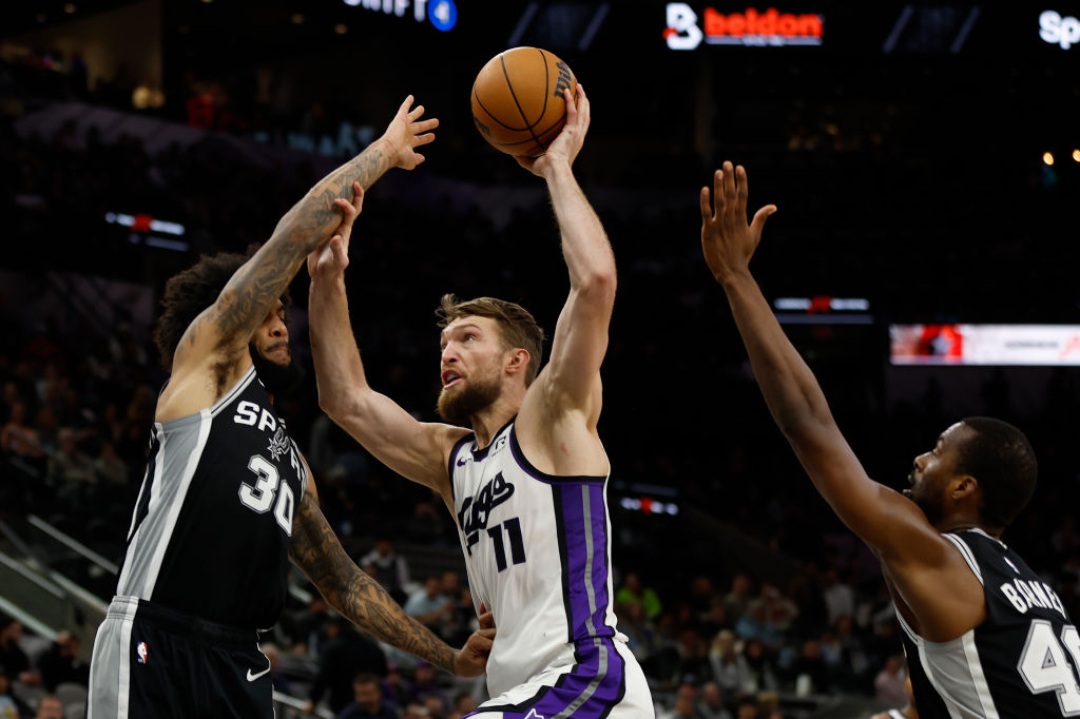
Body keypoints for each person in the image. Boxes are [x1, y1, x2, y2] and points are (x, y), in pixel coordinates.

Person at [86, 96, 494, 719]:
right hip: (156, 637)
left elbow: (344, 582)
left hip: (240, 660)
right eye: (272, 312)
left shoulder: (291, 461)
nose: (282, 323)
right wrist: (382, 155)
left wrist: (447, 656)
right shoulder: (211, 366)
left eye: (284, 314)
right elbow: (290, 236)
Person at [308, 84, 654, 717]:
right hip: (516, 689)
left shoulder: (554, 416)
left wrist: (556, 167)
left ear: (518, 361)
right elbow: (346, 400)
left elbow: (597, 280)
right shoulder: (452, 458)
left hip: (586, 674)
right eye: (444, 342)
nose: (448, 353)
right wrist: (329, 280)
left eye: (467, 339)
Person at [699, 159, 1073, 717]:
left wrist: (736, 277)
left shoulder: (941, 557)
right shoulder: (1037, 593)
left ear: (965, 488)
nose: (921, 458)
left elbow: (807, 423)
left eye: (939, 452)